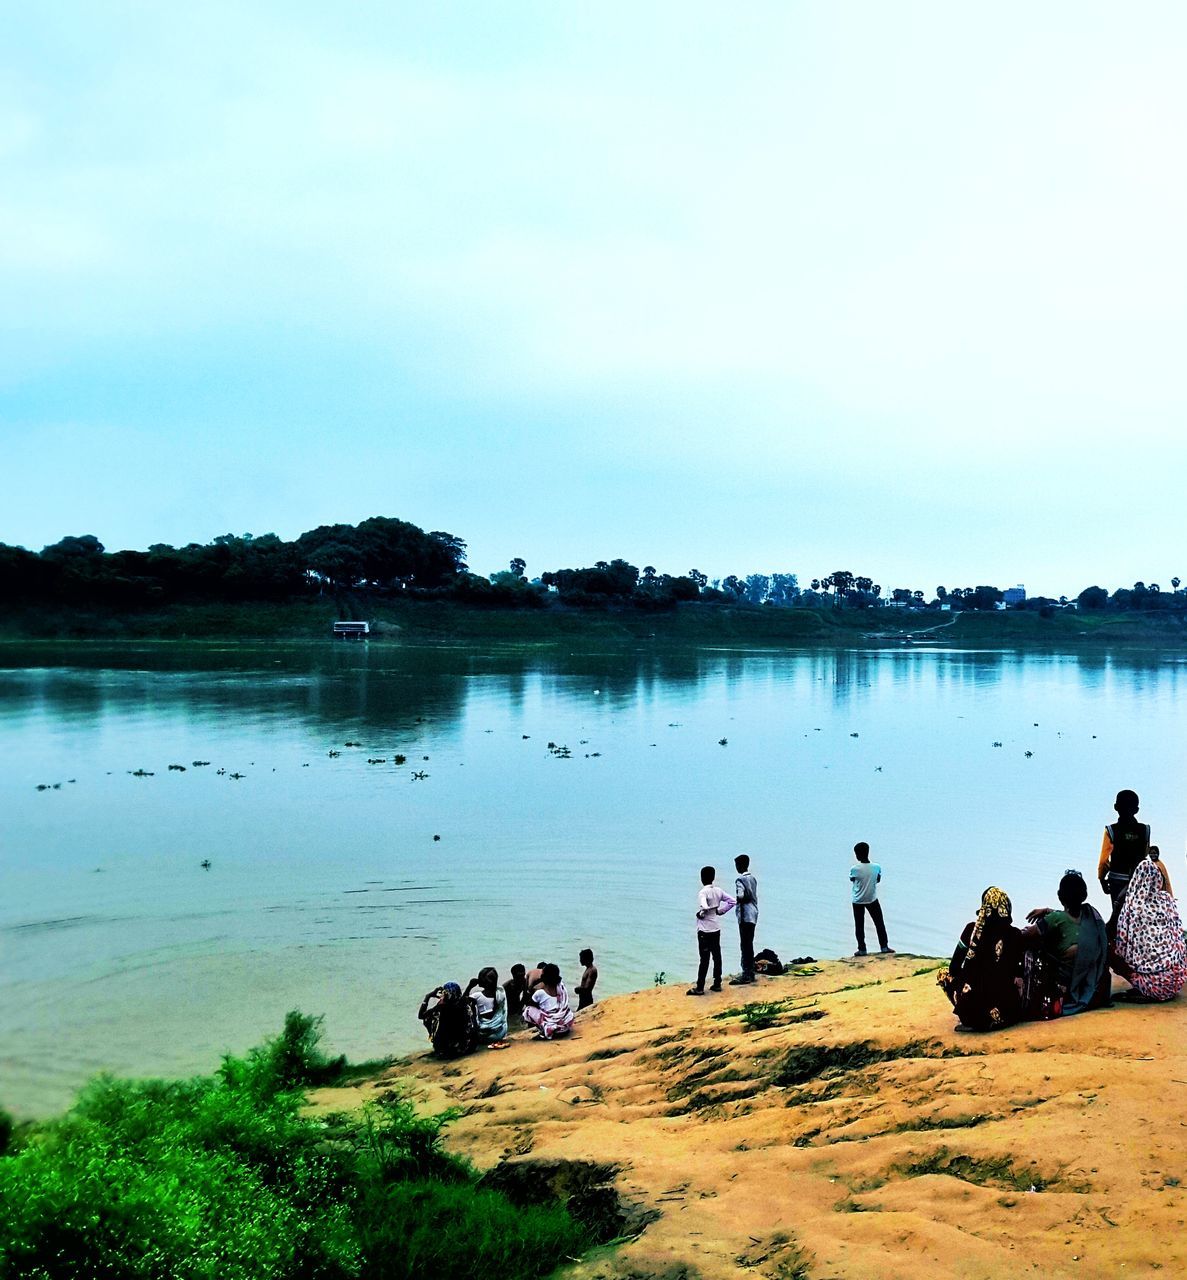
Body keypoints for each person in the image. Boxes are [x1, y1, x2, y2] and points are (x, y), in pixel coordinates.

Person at [1021, 870, 1110, 1017]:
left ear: (1060, 896)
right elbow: (1070, 920)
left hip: (1066, 983)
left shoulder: (1056, 919)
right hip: (1088, 983)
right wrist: (1049, 911)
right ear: (1084, 895)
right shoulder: (1091, 917)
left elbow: (1025, 936)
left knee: (1032, 948)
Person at [938, 887, 1024, 1030]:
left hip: (971, 1013)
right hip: (1006, 1011)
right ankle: (994, 1017)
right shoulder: (1015, 934)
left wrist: (967, 977)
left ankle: (969, 1014)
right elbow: (1017, 972)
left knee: (943, 974)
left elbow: (954, 967)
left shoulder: (971, 930)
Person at [1112, 853, 1186, 1002]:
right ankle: (1150, 980)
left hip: (1156, 987)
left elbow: (1120, 947)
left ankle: (1144, 987)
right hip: (1176, 981)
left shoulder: (1133, 906)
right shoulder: (1168, 901)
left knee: (1112, 952)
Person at [1097, 789, 1152, 937]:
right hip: (1139, 882)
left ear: (1116, 807)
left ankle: (1118, 943)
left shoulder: (1111, 830)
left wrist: (1102, 879)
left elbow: (1103, 861)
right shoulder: (1145, 830)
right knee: (1138, 918)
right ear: (1137, 810)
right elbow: (1146, 853)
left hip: (1117, 880)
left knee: (1119, 915)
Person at [687, 865, 736, 995]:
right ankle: (717, 983)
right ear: (713, 877)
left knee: (704, 959)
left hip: (704, 930)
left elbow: (704, 905)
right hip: (716, 928)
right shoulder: (718, 891)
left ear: (702, 878)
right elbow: (732, 901)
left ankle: (700, 987)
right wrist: (720, 911)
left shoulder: (703, 892)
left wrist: (702, 913)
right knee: (717, 956)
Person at [850, 842, 892, 956]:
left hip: (858, 900)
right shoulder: (876, 867)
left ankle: (862, 949)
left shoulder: (855, 869)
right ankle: (884, 947)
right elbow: (878, 880)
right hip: (872, 898)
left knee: (859, 925)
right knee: (879, 923)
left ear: (857, 855)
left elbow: (853, 879)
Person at [417, 981, 478, 1058]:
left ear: (445, 994)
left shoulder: (441, 1008)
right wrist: (469, 987)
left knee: (427, 1019)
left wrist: (428, 996)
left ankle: (434, 1039)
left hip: (445, 1051)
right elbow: (462, 999)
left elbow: (421, 1016)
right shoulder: (466, 1003)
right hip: (467, 1047)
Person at [521, 962, 575, 1039]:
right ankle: (551, 1027)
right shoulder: (561, 987)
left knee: (528, 1010)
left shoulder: (540, 993)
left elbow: (530, 1003)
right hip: (565, 1026)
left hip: (552, 1029)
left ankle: (544, 1032)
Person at [730, 854, 759, 985]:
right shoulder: (752, 878)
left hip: (745, 916)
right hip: (754, 913)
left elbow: (741, 896)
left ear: (740, 865)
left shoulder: (740, 880)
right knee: (750, 943)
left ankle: (746, 973)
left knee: (745, 944)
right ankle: (750, 972)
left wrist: (736, 900)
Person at [465, 967, 509, 1046]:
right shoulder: (500, 991)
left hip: (485, 1036)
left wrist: (469, 986)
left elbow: (462, 1003)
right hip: (501, 1032)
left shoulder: (476, 996)